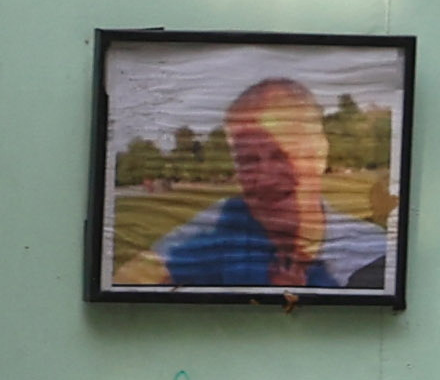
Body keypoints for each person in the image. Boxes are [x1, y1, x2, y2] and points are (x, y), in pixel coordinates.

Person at [150, 76, 392, 294]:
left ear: (319, 152)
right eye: (249, 160)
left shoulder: (373, 254)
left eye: (280, 155)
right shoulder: (225, 222)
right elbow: (139, 273)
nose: (264, 179)